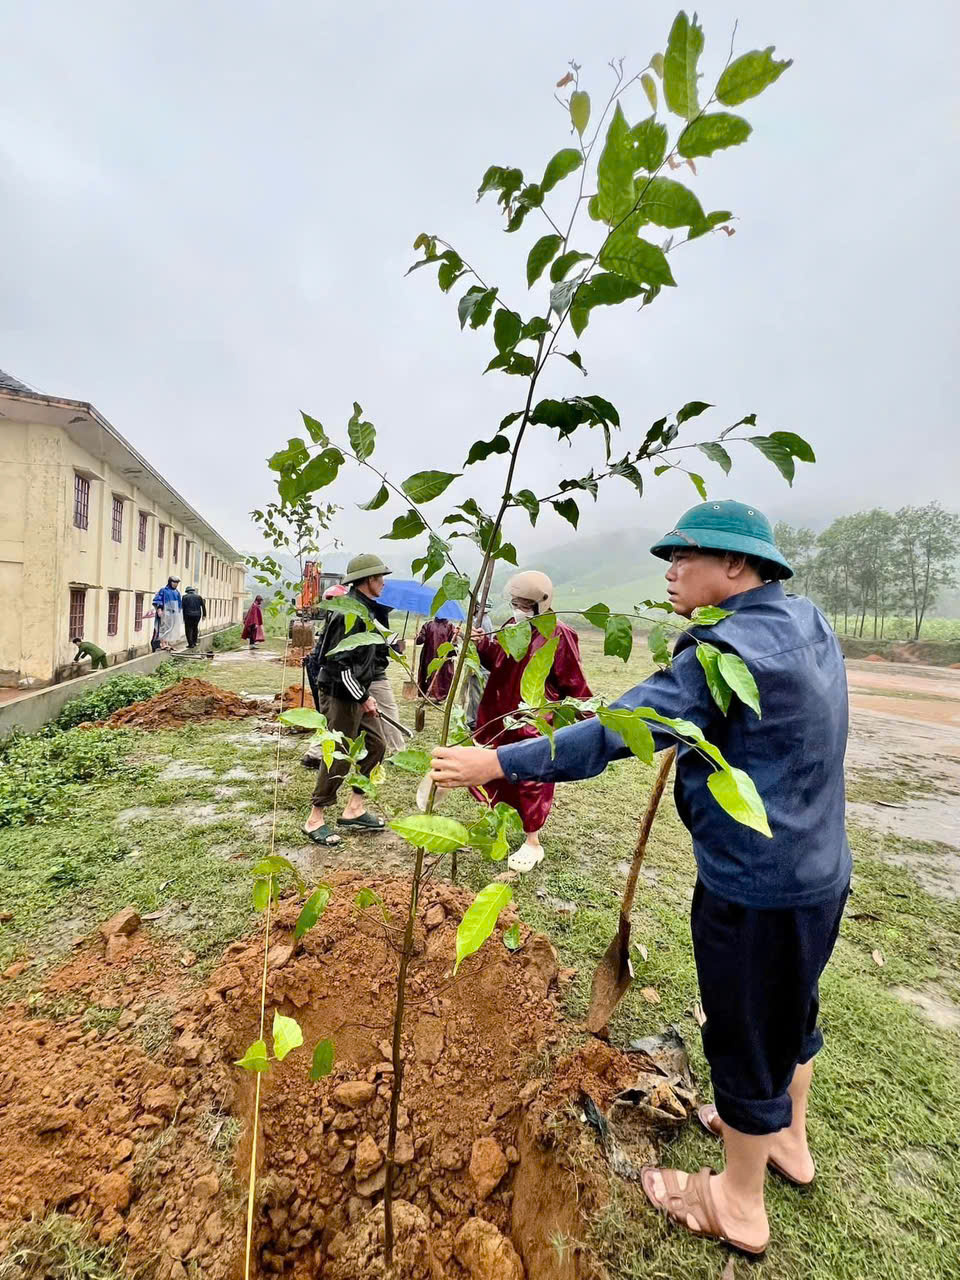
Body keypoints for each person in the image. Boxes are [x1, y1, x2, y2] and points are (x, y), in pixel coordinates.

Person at [430, 501, 851, 1259]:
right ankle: (787, 1138)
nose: (669, 572)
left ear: (734, 566)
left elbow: (620, 734)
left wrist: (496, 763)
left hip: (755, 887)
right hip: (822, 872)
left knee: (746, 1032)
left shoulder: (725, 652)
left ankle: (738, 1200)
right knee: (795, 1009)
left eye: (683, 558)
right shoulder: (808, 622)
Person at [471, 570, 592, 874]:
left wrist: (589, 718)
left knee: (532, 778)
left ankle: (533, 841)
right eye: (514, 602)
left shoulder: (559, 633)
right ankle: (502, 824)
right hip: (502, 713)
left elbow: (572, 678)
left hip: (534, 716)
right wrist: (481, 645)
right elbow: (497, 660)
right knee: (497, 770)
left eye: (524, 604)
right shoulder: (512, 626)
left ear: (541, 603)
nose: (518, 609)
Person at [301, 554, 392, 847]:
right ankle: (315, 818)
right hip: (340, 693)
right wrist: (364, 697)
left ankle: (355, 808)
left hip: (356, 692)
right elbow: (337, 663)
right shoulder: (347, 613)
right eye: (379, 577)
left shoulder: (367, 611)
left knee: (377, 745)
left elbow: (366, 657)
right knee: (338, 755)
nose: (383, 582)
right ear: (367, 580)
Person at [416, 616, 457, 699]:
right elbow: (420, 640)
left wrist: (418, 637)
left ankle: (434, 695)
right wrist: (418, 637)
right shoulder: (429, 625)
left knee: (439, 675)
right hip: (432, 655)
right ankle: (433, 695)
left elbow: (453, 643)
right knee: (433, 674)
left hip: (439, 656)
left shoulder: (449, 627)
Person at [152, 577, 183, 650]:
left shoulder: (177, 592)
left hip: (173, 614)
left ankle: (167, 643)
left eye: (177, 583)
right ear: (170, 582)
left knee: (170, 629)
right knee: (163, 628)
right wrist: (159, 609)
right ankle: (162, 644)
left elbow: (179, 603)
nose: (175, 584)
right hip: (165, 612)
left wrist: (178, 612)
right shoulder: (164, 590)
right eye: (174, 582)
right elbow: (158, 600)